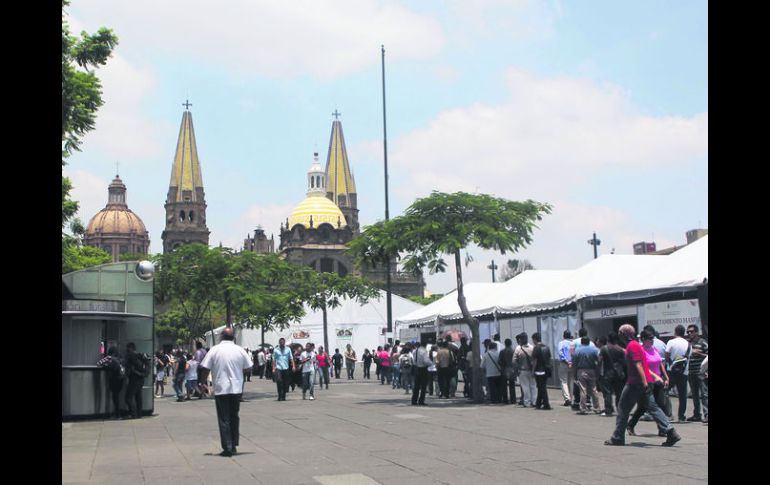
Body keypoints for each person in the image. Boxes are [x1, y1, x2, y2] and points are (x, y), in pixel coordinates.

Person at [605, 324, 681, 447]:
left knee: (623, 408)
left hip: (636, 383)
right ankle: (670, 431)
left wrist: (644, 382)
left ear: (624, 334)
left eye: (620, 333)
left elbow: (639, 365)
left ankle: (618, 437)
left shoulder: (633, 346)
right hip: (644, 382)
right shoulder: (635, 345)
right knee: (653, 408)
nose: (618, 335)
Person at [199, 327, 253, 457]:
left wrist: (202, 383)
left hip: (221, 388)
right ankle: (233, 444)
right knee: (234, 416)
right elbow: (249, 367)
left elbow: (205, 368)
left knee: (224, 418)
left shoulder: (215, 350)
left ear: (221, 336)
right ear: (233, 337)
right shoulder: (240, 350)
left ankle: (227, 447)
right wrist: (238, 372)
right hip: (236, 388)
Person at [627, 329, 670, 437]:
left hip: (658, 381)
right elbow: (643, 367)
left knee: (661, 404)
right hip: (648, 381)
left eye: (653, 338)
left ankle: (662, 429)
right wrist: (654, 376)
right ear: (643, 339)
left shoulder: (654, 349)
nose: (652, 340)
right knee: (644, 407)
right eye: (650, 338)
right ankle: (630, 425)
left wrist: (665, 376)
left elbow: (660, 363)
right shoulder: (641, 350)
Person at [665, 325, 690, 423]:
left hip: (671, 371)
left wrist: (670, 363)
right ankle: (682, 416)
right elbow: (688, 357)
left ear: (675, 332)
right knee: (682, 395)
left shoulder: (671, 342)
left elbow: (667, 355)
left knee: (664, 391)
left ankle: (668, 413)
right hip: (684, 372)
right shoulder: (688, 344)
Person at [597, 332, 625, 417]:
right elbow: (624, 362)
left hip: (607, 373)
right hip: (618, 374)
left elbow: (599, 361)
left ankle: (608, 410)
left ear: (608, 339)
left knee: (607, 393)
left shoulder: (604, 349)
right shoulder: (620, 349)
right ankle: (619, 410)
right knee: (618, 393)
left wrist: (598, 372)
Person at [573, 335, 602, 415]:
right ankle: (597, 408)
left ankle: (583, 408)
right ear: (589, 342)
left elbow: (574, 364)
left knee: (583, 389)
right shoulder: (595, 350)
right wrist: (597, 370)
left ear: (581, 342)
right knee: (593, 389)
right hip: (592, 370)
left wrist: (574, 374)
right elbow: (599, 360)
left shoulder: (577, 351)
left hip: (581, 370)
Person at [686, 324, 708, 423]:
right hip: (691, 372)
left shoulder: (703, 343)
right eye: (688, 332)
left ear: (696, 332)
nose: (689, 333)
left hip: (701, 372)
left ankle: (706, 414)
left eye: (691, 331)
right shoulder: (687, 343)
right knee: (694, 395)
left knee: (704, 394)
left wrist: (699, 353)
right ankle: (696, 415)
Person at [97, 346, 125, 419]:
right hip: (121, 380)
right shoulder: (120, 358)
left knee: (115, 397)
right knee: (116, 397)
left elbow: (99, 363)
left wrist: (106, 366)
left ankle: (117, 415)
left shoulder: (109, 358)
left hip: (114, 380)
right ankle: (118, 414)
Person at [514, 333, 536, 407]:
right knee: (533, 386)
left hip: (522, 371)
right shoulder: (532, 348)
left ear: (521, 339)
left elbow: (514, 361)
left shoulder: (518, 348)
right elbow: (535, 360)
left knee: (525, 387)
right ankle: (534, 401)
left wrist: (517, 369)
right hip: (532, 370)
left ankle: (527, 402)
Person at [531, 332, 553, 410]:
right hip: (546, 370)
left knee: (542, 388)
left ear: (535, 339)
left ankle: (546, 404)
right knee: (541, 387)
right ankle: (538, 404)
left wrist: (533, 371)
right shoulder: (547, 347)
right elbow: (549, 358)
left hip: (539, 370)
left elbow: (535, 361)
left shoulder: (536, 348)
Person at [124, 342, 145, 418]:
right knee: (138, 397)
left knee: (128, 397)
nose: (126, 349)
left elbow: (126, 366)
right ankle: (139, 414)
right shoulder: (141, 355)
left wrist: (126, 376)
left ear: (130, 348)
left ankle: (133, 414)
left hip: (134, 379)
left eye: (127, 348)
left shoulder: (130, 355)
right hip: (141, 378)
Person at [498, 338, 517, 405]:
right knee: (512, 385)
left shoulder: (502, 352)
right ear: (511, 343)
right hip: (512, 370)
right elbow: (516, 361)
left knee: (504, 386)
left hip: (504, 370)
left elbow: (499, 361)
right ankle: (513, 400)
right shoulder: (514, 351)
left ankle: (505, 400)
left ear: (505, 344)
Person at [557, 330, 574, 406]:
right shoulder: (572, 343)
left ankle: (567, 399)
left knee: (564, 381)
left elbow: (560, 353)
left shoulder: (561, 343)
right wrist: (571, 362)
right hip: (572, 364)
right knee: (571, 381)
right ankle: (571, 398)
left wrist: (566, 361)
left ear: (563, 336)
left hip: (564, 363)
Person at [411, 341, 431, 405]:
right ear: (425, 345)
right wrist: (430, 363)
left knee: (416, 386)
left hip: (416, 368)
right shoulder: (424, 351)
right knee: (423, 386)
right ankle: (421, 400)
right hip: (423, 369)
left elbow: (413, 360)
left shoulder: (415, 351)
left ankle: (414, 400)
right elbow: (425, 361)